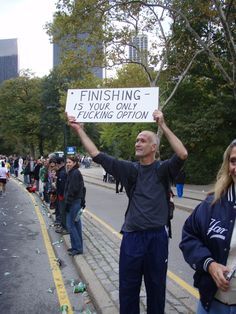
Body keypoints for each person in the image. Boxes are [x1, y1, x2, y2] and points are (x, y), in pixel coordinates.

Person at [67, 109, 188, 314]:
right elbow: (96, 155)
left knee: (156, 290)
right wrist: (79, 130)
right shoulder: (129, 169)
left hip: (157, 238)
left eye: (142, 140)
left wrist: (163, 126)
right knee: (128, 290)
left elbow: (183, 154)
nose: (137, 143)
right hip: (132, 238)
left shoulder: (163, 169)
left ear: (153, 146)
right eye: (136, 140)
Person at [179, 139, 236, 314]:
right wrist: (210, 265)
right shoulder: (211, 204)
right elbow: (189, 237)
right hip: (213, 304)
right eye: (233, 161)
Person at [64, 156, 85, 256]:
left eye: (70, 162)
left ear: (75, 163)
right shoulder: (73, 172)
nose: (68, 164)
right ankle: (76, 246)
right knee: (76, 225)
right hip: (75, 201)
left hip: (73, 202)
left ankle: (77, 248)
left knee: (71, 225)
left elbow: (72, 190)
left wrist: (68, 203)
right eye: (67, 162)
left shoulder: (74, 173)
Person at [55, 157, 68, 235]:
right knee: (61, 212)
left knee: (63, 212)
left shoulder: (62, 173)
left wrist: (60, 195)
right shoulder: (61, 171)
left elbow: (62, 186)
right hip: (61, 195)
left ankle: (65, 228)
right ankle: (63, 226)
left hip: (62, 196)